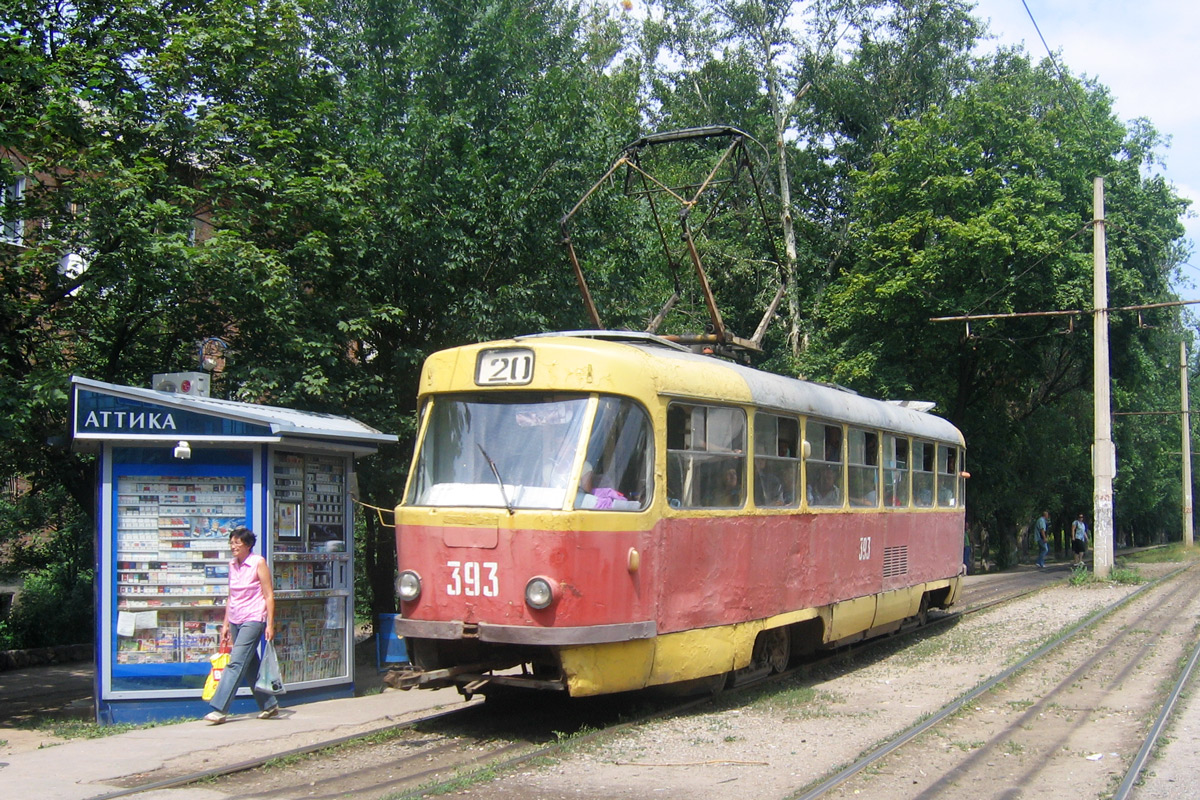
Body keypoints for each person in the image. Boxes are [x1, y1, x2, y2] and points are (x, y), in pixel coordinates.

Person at [204, 527, 278, 724]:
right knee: (249, 663)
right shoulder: (232, 565)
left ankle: (219, 708)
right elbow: (232, 596)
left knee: (235, 662)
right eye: (231, 542)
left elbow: (269, 594)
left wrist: (270, 623)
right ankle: (269, 704)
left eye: (237, 543)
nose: (233, 546)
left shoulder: (258, 562)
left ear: (247, 545)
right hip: (236, 618)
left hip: (254, 618)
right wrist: (225, 623)